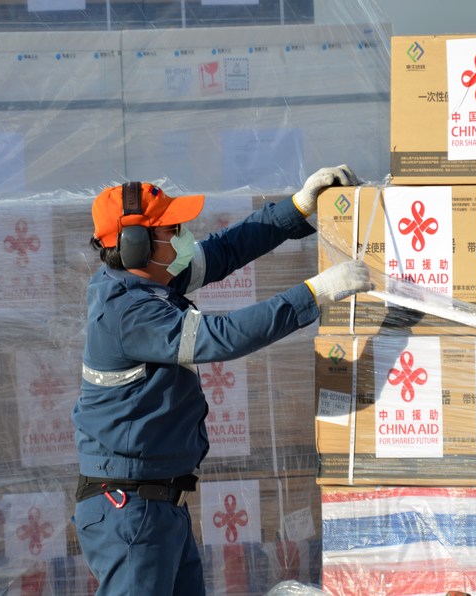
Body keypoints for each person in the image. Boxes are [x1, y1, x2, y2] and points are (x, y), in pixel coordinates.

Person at [72, 167, 372, 595]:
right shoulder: (127, 312)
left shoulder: (147, 279)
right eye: (172, 230)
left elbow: (226, 249)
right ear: (136, 244)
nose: (183, 237)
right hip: (130, 511)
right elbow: (222, 336)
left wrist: (298, 207)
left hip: (157, 506)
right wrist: (314, 294)